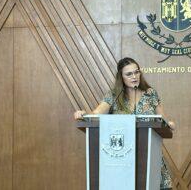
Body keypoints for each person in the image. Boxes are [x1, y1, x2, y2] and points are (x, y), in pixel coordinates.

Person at [74, 57, 175, 190]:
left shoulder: (150, 94)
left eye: (136, 72)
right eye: (129, 74)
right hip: (121, 161)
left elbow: (163, 120)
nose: (134, 76)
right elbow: (95, 115)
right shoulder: (114, 95)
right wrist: (82, 114)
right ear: (121, 77)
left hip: (149, 156)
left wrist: (170, 124)